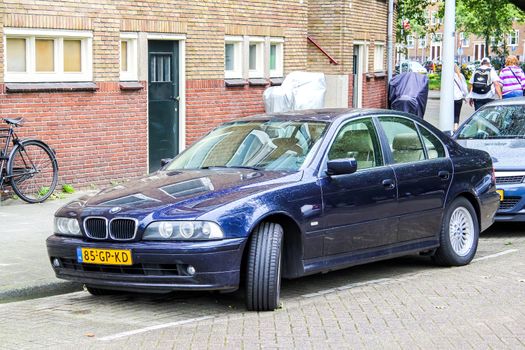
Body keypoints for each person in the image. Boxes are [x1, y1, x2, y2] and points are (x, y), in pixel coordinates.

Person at [453, 64, 469, 131]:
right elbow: (464, 87)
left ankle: (449, 126)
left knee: (450, 113)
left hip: (450, 98)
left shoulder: (447, 75)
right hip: (459, 97)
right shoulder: (460, 76)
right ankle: (456, 126)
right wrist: (466, 96)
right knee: (457, 113)